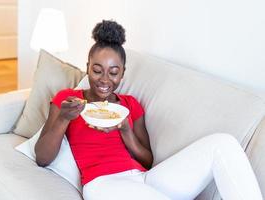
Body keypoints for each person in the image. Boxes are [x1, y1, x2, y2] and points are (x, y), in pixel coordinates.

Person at [34, 20, 263, 200]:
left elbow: (147, 160)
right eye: (97, 70)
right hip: (103, 185)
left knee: (222, 144)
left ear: (122, 74)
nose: (104, 79)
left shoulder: (130, 104)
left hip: (146, 180)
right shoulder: (69, 100)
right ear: (87, 69)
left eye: (113, 72)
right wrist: (64, 119)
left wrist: (126, 130)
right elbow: (42, 158)